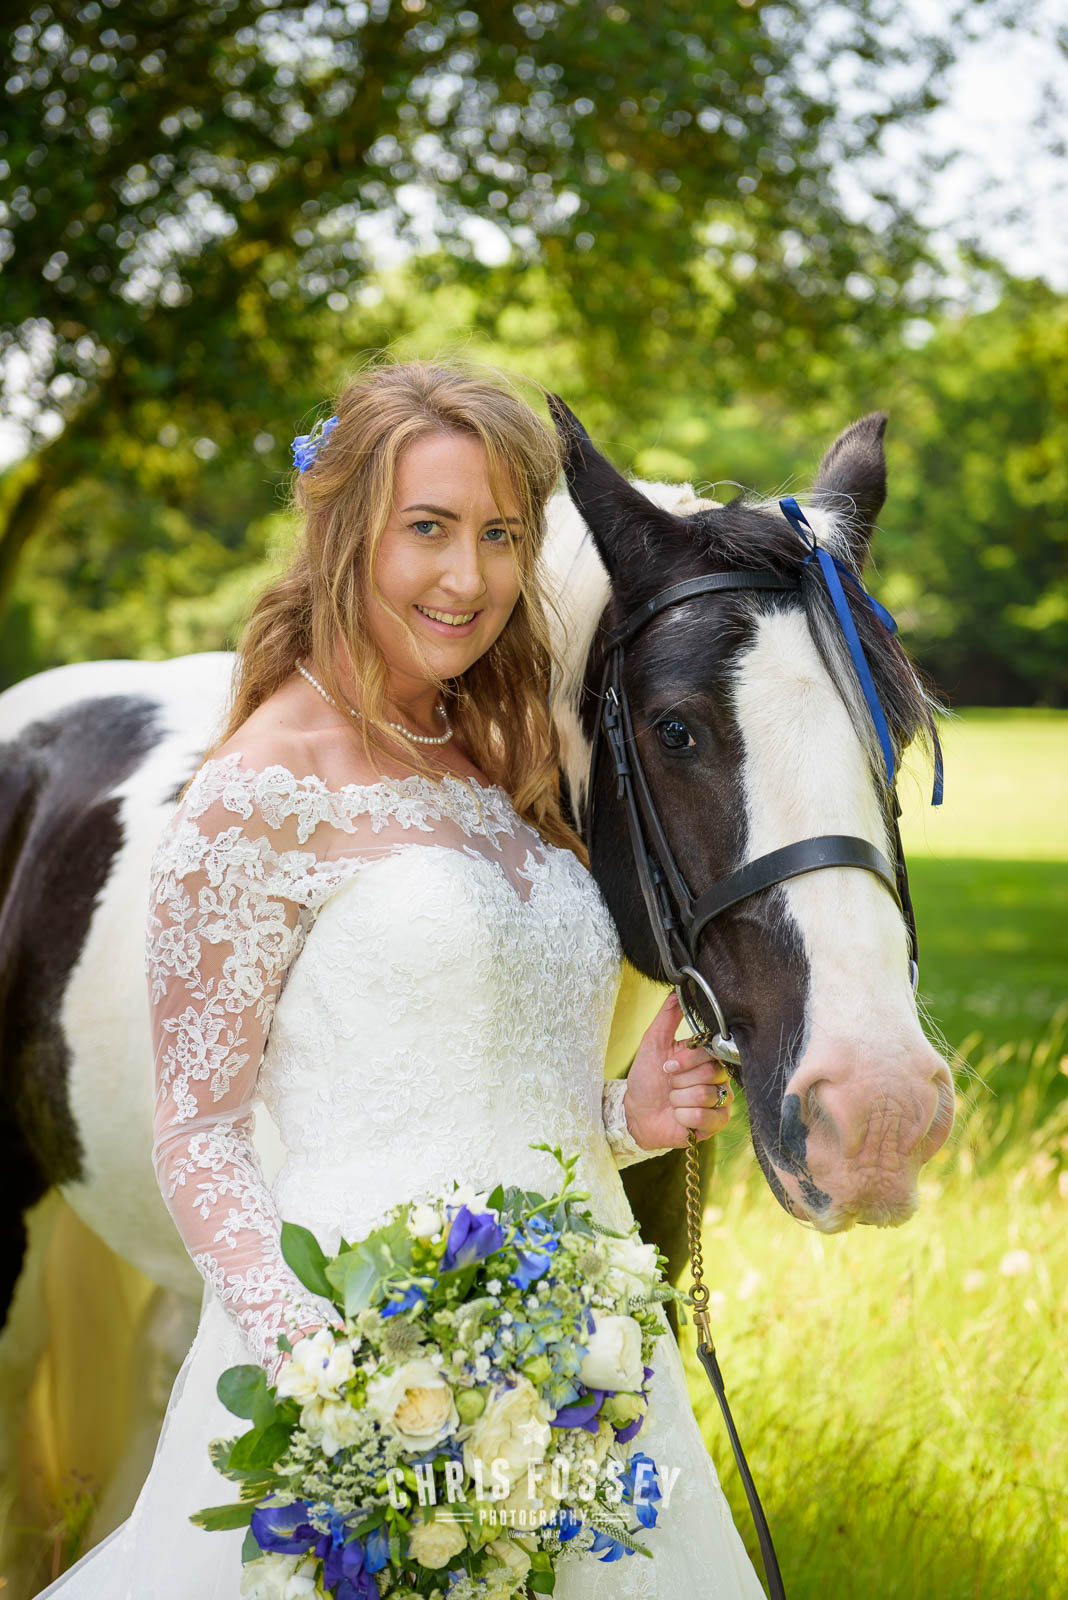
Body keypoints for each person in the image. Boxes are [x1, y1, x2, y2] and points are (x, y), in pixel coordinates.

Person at [37, 360, 764, 1598]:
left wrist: (623, 1118)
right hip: (359, 1380)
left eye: (499, 535)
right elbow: (200, 1139)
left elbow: (488, 1096)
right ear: (343, 532)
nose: (468, 578)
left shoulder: (501, 753)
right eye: (427, 528)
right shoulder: (259, 791)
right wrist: (333, 1382)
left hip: (586, 1360)